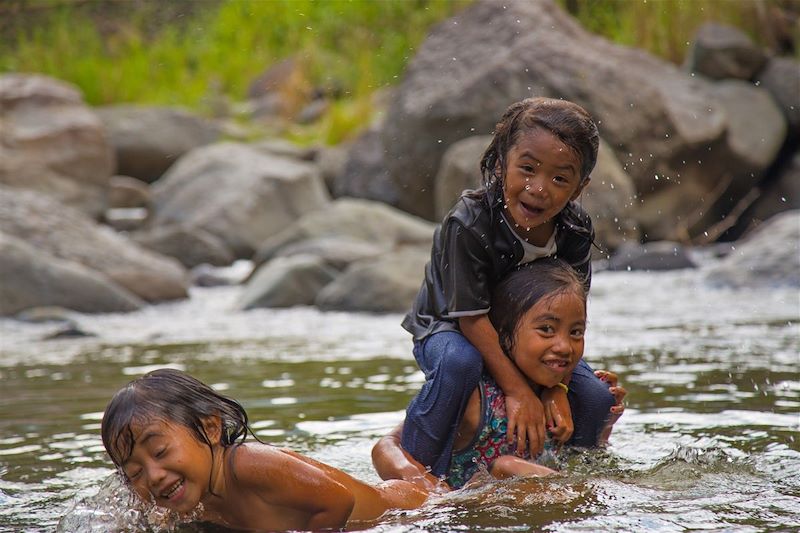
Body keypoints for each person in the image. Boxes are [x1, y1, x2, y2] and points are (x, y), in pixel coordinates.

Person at [401, 97, 616, 479]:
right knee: (458, 364)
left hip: (528, 337)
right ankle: (418, 469)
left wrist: (556, 391)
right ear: (502, 165)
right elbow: (470, 319)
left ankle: (569, 477)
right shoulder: (468, 224)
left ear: (579, 188)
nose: (538, 188)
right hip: (451, 328)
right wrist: (519, 391)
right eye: (527, 169)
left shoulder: (575, 230)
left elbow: (570, 318)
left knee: (596, 397)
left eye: (560, 179)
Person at [375, 259, 626, 489]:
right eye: (546, 329)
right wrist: (424, 486)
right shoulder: (475, 397)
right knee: (508, 468)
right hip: (467, 513)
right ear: (503, 336)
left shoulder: (565, 399)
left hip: (536, 514)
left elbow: (580, 462)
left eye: (576, 332)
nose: (563, 346)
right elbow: (386, 446)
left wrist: (604, 425)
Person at [101, 369, 428, 531]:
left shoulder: (248, 463)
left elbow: (339, 499)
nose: (154, 477)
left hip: (410, 509)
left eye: (159, 452)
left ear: (211, 429)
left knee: (427, 485)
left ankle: (395, 439)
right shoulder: (180, 507)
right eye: (135, 472)